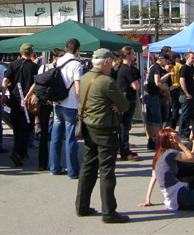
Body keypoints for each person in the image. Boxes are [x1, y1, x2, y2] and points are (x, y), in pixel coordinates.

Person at [75, 48, 130, 223]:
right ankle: (109, 212)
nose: (113, 64)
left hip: (89, 127)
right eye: (111, 61)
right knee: (107, 172)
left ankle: (82, 206)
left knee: (88, 169)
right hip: (105, 130)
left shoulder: (85, 77)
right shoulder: (107, 81)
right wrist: (116, 104)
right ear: (105, 62)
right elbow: (125, 105)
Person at [142, 129, 194, 213]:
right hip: (179, 194)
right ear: (166, 140)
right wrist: (180, 143)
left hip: (174, 195)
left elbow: (153, 177)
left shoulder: (158, 156)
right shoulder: (170, 153)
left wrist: (147, 199)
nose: (174, 139)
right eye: (172, 137)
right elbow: (192, 159)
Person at [49, 38, 83, 179]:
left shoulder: (58, 61)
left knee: (56, 138)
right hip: (71, 105)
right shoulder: (76, 64)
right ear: (78, 50)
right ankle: (73, 171)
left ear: (66, 48)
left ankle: (54, 167)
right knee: (70, 140)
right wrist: (82, 104)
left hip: (58, 103)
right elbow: (78, 88)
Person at [26, 47, 64, 171]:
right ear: (54, 57)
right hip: (47, 102)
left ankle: (44, 163)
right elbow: (36, 83)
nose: (62, 58)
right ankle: (45, 162)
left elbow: (36, 83)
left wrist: (29, 95)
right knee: (47, 133)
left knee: (48, 133)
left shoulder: (43, 68)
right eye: (60, 56)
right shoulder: (56, 70)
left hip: (46, 101)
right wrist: (28, 96)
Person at [1, 43, 39, 167]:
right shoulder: (34, 67)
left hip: (15, 100)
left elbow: (5, 80)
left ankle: (21, 152)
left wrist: (2, 95)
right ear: (31, 53)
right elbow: (36, 83)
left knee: (17, 127)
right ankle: (18, 152)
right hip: (27, 102)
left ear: (21, 51)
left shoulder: (13, 64)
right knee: (27, 128)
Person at [115, 46, 141, 161]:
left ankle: (122, 147)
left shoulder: (123, 68)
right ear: (127, 55)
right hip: (127, 99)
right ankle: (124, 151)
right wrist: (134, 83)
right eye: (132, 53)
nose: (134, 55)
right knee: (125, 126)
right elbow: (136, 86)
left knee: (124, 125)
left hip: (125, 99)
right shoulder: (127, 69)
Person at [143, 53, 170, 149]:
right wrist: (167, 89)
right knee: (156, 120)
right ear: (163, 60)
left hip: (148, 94)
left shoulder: (152, 66)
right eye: (167, 61)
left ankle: (150, 140)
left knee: (149, 120)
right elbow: (157, 82)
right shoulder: (157, 67)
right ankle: (157, 141)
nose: (167, 64)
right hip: (152, 95)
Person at [179, 52, 194, 138]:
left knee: (191, 113)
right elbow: (182, 81)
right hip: (185, 95)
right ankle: (182, 132)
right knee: (185, 114)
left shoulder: (191, 68)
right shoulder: (184, 68)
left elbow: (191, 82)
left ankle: (187, 130)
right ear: (187, 58)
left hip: (192, 94)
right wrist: (187, 93)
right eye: (192, 58)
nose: (193, 60)